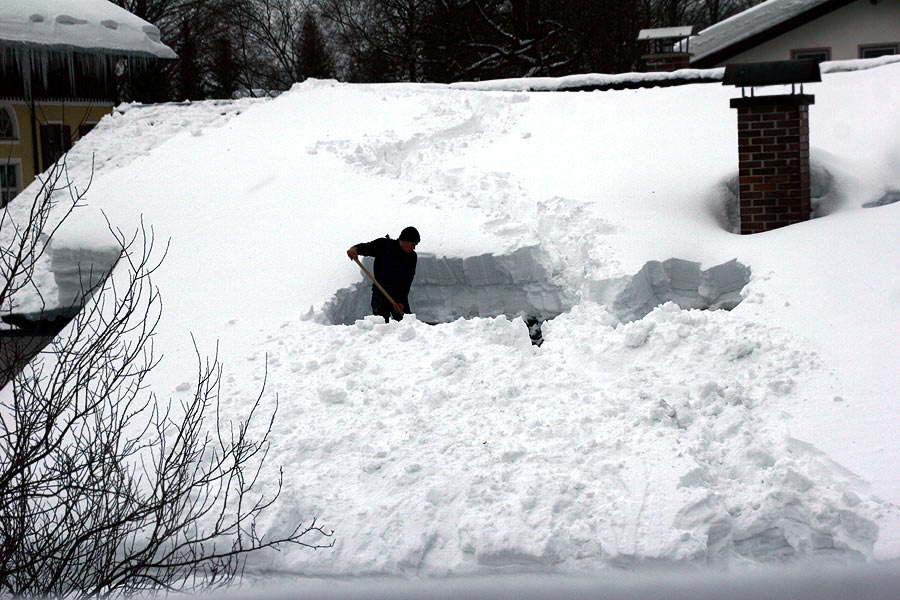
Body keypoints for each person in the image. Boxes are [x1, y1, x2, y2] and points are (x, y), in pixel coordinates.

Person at [346, 226, 419, 322]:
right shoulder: (384, 245)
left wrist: (400, 301)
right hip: (380, 294)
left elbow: (407, 280)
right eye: (413, 244)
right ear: (404, 241)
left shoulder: (412, 257)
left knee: (406, 324)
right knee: (381, 326)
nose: (414, 248)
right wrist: (355, 249)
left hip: (399, 295)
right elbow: (367, 248)